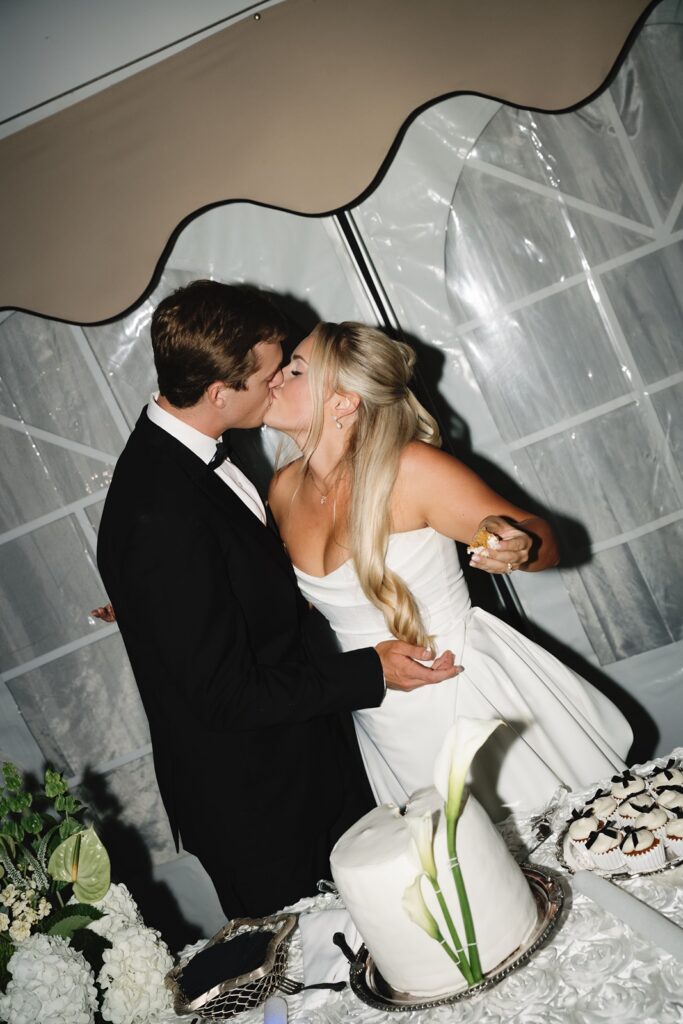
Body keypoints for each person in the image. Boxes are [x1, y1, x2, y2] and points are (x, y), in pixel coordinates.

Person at [96, 282, 458, 919]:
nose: (283, 382)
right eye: (272, 373)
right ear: (220, 393)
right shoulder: (158, 506)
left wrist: (167, 608)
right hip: (259, 805)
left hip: (305, 762)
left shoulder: (184, 462)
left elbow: (222, 592)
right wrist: (370, 669)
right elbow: (224, 694)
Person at [266, 321, 633, 818]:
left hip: (464, 696)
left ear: (343, 402)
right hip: (380, 716)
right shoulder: (284, 490)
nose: (274, 378)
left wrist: (513, 544)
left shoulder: (410, 471)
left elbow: (523, 534)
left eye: (294, 369)